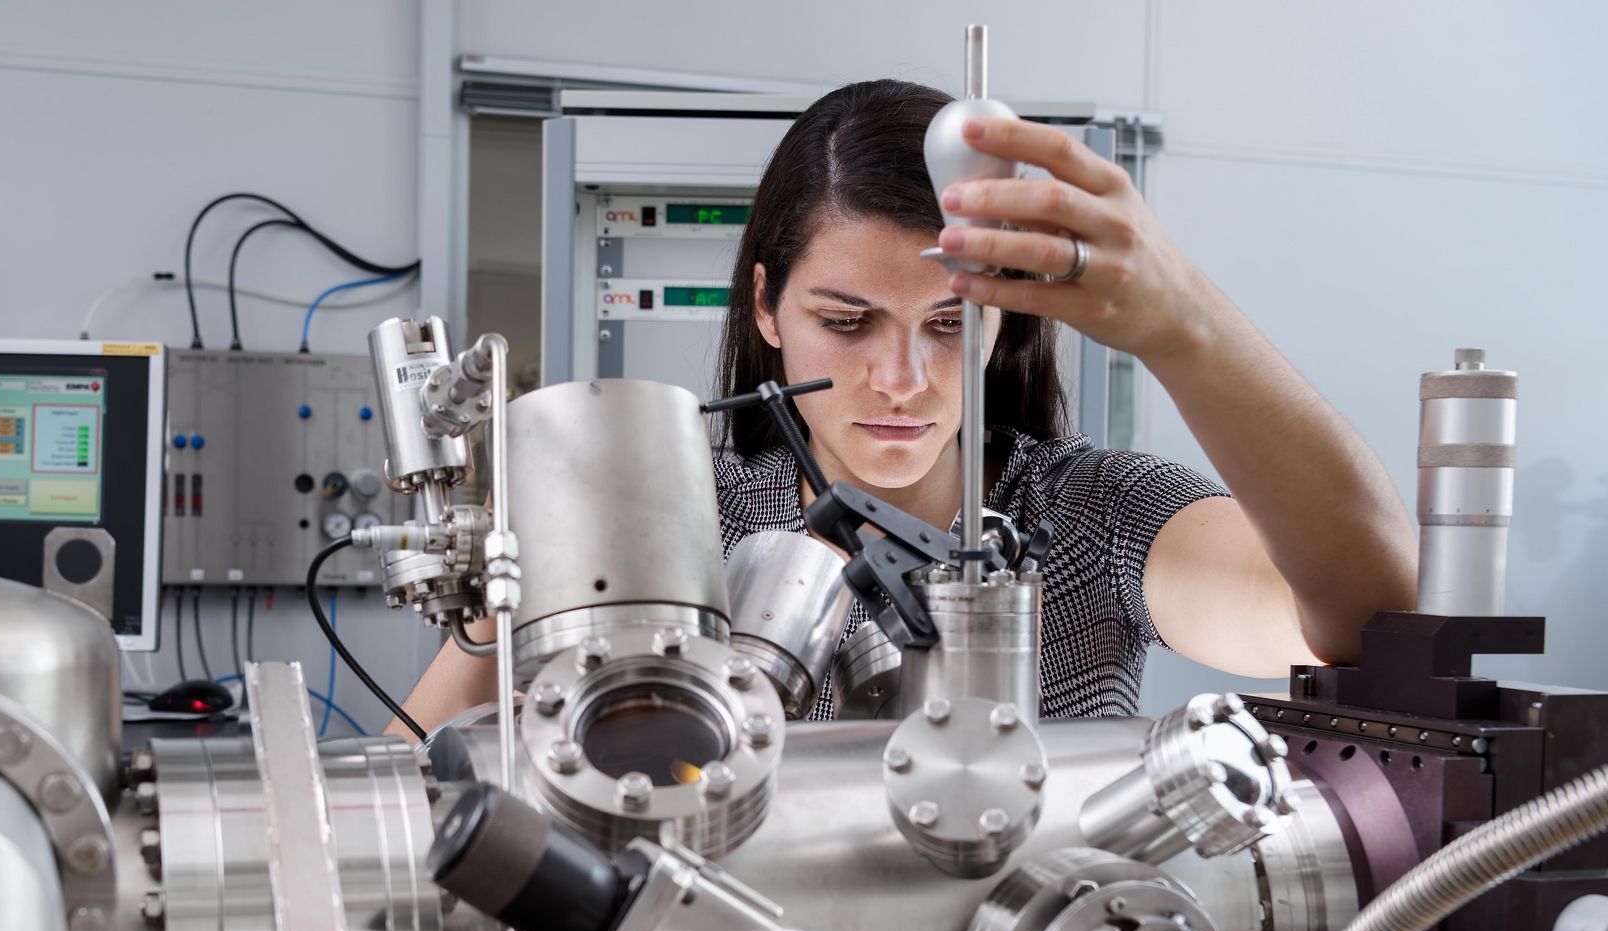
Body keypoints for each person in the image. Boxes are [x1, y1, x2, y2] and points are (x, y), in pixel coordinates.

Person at [386, 79, 1414, 737]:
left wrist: (1184, 324)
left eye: (948, 325)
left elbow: (1374, 622)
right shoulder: (670, 516)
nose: (903, 378)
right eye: (849, 320)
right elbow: (405, 774)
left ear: (1007, 320)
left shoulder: (1095, 519)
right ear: (768, 309)